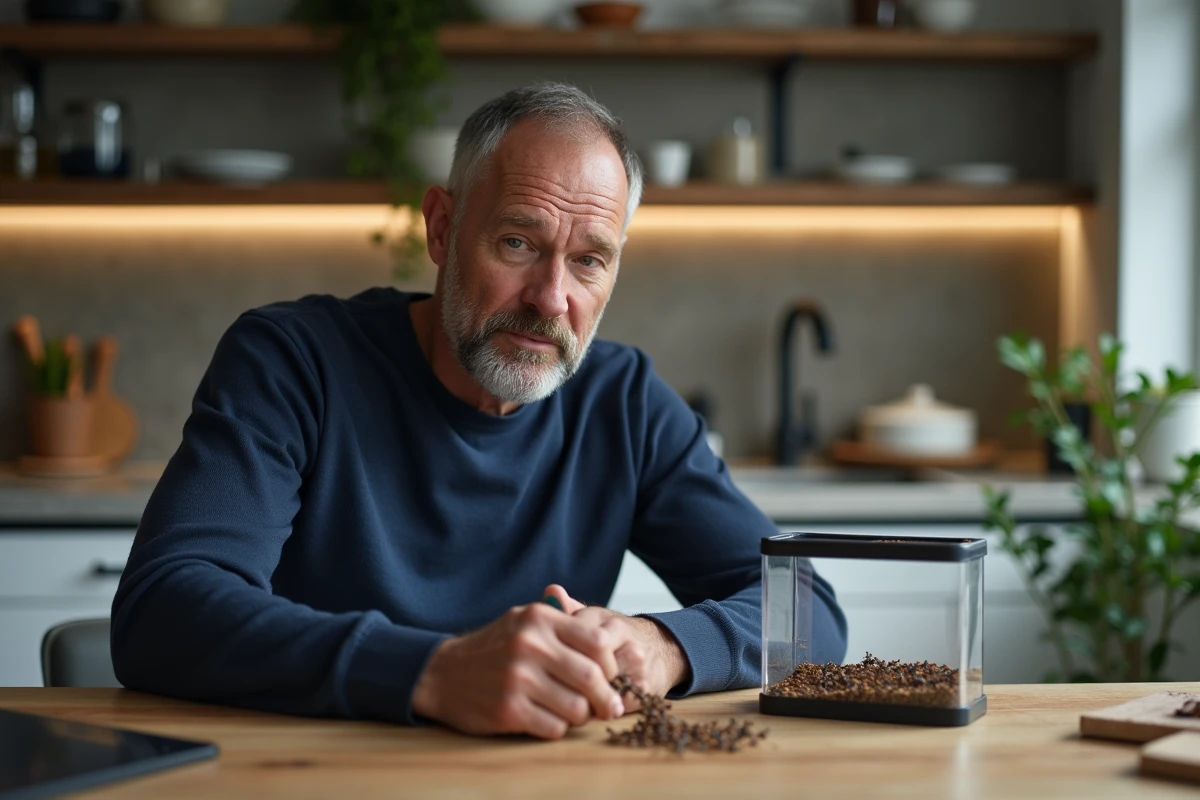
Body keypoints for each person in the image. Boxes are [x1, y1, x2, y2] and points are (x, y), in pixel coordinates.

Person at [110, 82, 847, 739]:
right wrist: (433, 670)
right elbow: (163, 610)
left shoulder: (623, 401)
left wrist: (665, 646)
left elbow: (809, 609)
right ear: (441, 228)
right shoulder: (292, 361)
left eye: (590, 259)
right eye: (519, 242)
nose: (551, 300)